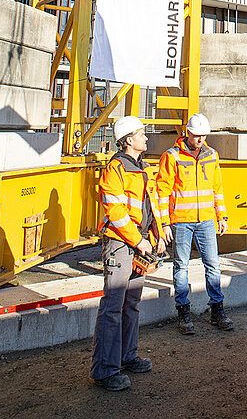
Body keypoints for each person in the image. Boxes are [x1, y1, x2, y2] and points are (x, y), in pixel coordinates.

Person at [90, 116, 166, 391]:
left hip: (139, 243)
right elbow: (116, 212)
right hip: (120, 243)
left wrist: (156, 234)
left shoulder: (141, 168)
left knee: (130, 303)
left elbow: (150, 204)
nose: (146, 138)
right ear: (128, 140)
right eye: (142, 134)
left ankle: (126, 356)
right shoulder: (115, 169)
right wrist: (139, 241)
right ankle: (105, 371)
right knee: (113, 306)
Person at [156, 113, 234, 335]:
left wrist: (222, 216)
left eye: (203, 136)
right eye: (196, 135)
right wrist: (165, 224)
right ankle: (183, 312)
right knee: (181, 266)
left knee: (213, 265)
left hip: (206, 219)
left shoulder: (211, 155)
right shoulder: (172, 157)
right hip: (181, 221)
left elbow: (216, 188)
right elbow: (162, 192)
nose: (200, 140)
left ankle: (217, 310)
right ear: (187, 133)